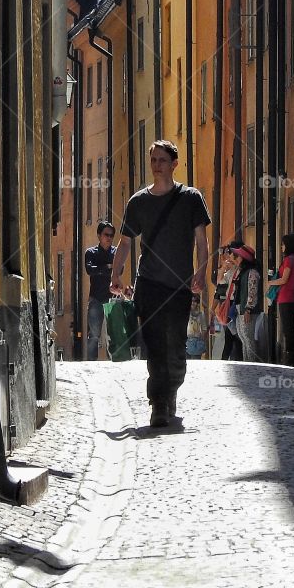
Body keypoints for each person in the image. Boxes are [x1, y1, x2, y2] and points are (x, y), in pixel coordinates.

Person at [110, 140, 210, 429]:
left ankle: (170, 390)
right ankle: (159, 403)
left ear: (174, 164)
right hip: (149, 283)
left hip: (179, 285)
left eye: (162, 160)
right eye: (153, 160)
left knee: (176, 346)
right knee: (154, 345)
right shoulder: (138, 202)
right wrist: (116, 274)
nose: (157, 165)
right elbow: (125, 242)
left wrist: (201, 272)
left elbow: (201, 242)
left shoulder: (191, 198)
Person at [83, 221, 115, 361]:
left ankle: (114, 361)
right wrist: (108, 267)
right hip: (95, 298)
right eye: (106, 234)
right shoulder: (90, 253)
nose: (109, 238)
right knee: (93, 334)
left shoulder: (116, 252)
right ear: (99, 235)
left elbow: (119, 270)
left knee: (113, 333)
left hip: (112, 298)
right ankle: (91, 364)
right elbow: (90, 270)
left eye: (111, 235)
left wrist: (100, 269)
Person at [271, 233, 294, 366]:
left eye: (283, 244)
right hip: (293, 297)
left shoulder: (289, 260)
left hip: (286, 297)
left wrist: (270, 282)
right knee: (291, 328)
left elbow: (284, 279)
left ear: (289, 245)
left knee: (288, 329)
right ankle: (293, 357)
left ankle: (291, 358)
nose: (282, 247)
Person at [215, 240, 245, 360]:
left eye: (230, 252)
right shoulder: (232, 269)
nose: (228, 255)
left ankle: (238, 361)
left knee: (236, 336)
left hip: (237, 304)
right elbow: (220, 282)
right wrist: (223, 268)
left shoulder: (242, 269)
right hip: (230, 303)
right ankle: (228, 361)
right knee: (230, 336)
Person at [232, 245, 263, 361]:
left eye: (237, 257)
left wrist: (248, 309)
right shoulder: (243, 272)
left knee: (248, 339)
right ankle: (247, 363)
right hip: (241, 308)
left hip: (248, 309)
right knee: (243, 337)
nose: (235, 259)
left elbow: (252, 292)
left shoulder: (252, 272)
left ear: (243, 258)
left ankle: (251, 364)